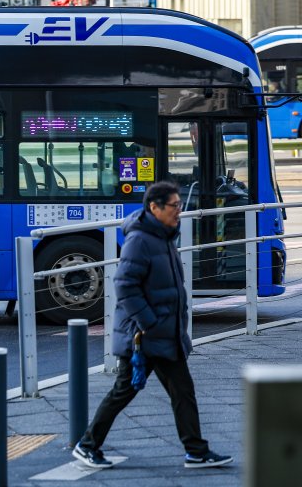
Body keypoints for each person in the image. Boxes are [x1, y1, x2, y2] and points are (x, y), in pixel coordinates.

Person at [72, 181, 233, 470]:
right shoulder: (140, 240)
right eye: (174, 206)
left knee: (182, 391)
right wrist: (149, 322)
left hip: (164, 333)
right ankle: (87, 445)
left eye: (180, 205)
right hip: (144, 335)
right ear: (154, 207)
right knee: (124, 391)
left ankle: (196, 450)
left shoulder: (163, 236)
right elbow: (124, 285)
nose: (179, 211)